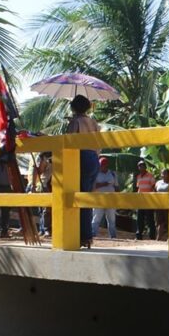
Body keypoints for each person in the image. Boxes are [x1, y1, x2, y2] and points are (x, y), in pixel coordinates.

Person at [66, 95, 100, 248]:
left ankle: (83, 235)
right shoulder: (93, 122)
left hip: (81, 157)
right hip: (94, 157)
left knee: (78, 197)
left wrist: (71, 124)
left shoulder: (76, 122)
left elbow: (68, 141)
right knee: (87, 197)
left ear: (74, 107)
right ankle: (87, 236)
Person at [91, 156, 118, 239]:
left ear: (106, 165)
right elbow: (92, 187)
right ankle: (93, 235)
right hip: (99, 200)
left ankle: (113, 236)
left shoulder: (112, 174)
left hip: (111, 200)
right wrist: (104, 184)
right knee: (96, 219)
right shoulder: (95, 174)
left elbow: (116, 187)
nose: (102, 167)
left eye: (103, 165)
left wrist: (117, 199)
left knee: (111, 219)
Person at [30, 152, 53, 237]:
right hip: (45, 184)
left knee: (48, 209)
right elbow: (38, 171)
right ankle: (44, 229)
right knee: (45, 209)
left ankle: (46, 228)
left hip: (54, 184)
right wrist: (33, 185)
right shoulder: (42, 156)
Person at [134, 160, 156, 240]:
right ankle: (139, 235)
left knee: (150, 218)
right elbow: (139, 188)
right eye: (140, 166)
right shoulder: (138, 177)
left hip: (148, 200)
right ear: (138, 167)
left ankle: (152, 236)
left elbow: (153, 186)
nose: (141, 167)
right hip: (140, 200)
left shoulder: (150, 176)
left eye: (143, 165)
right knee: (140, 218)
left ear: (145, 167)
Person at [154, 168, 169, 241]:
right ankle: (159, 237)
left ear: (168, 175)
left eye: (165, 173)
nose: (163, 175)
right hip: (159, 205)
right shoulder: (158, 183)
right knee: (160, 221)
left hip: (168, 205)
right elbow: (155, 191)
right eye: (162, 173)